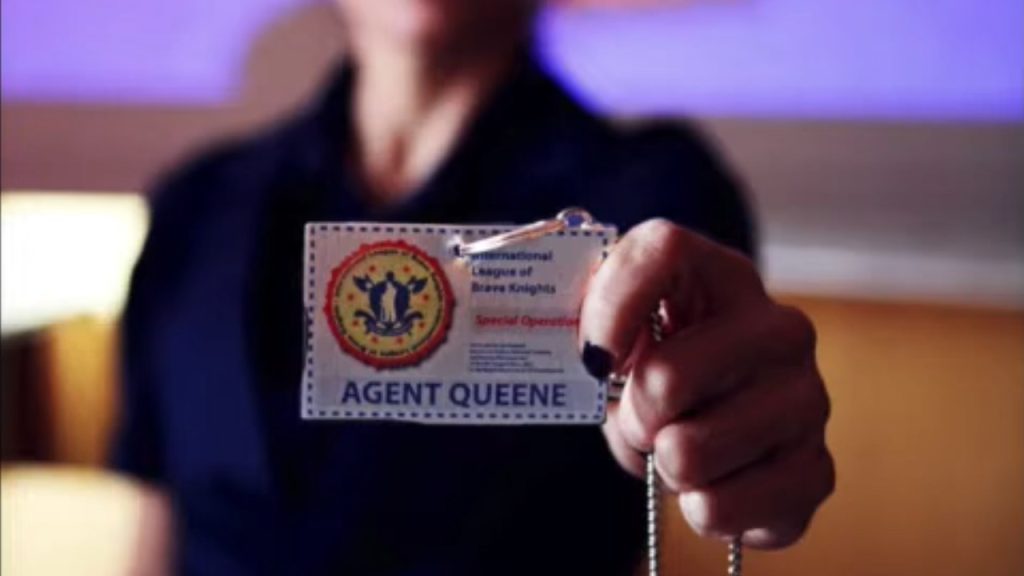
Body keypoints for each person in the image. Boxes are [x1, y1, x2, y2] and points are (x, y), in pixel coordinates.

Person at [111, 0, 834, 574]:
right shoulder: (195, 204)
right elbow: (154, 520)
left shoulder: (654, 201)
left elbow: (706, 414)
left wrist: (740, 451)